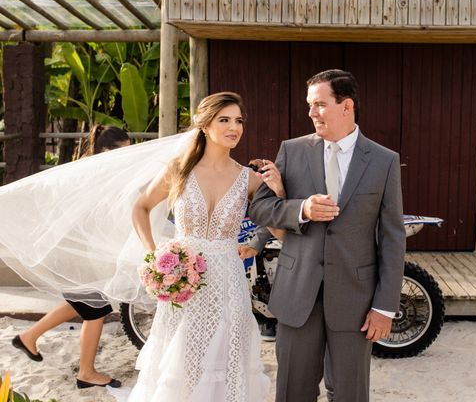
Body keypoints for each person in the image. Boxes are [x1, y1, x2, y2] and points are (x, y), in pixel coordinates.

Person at [246, 69, 406, 402]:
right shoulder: (291, 150)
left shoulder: (384, 161)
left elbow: (392, 238)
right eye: (310, 105)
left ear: (346, 106)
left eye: (319, 104)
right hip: (297, 294)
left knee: (349, 393)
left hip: (356, 300)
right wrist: (301, 208)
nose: (311, 113)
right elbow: (261, 209)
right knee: (293, 391)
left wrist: (385, 307)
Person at [127, 92, 276, 401]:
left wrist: (256, 240)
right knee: (181, 363)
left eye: (238, 121)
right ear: (205, 125)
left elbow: (277, 225)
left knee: (224, 361)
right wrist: (154, 255)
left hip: (228, 284)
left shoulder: (248, 179)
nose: (234, 127)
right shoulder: (178, 170)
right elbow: (140, 207)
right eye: (224, 120)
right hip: (183, 284)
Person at [12, 125, 129, 389]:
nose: (126, 156)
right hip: (70, 252)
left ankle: (29, 336)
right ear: (105, 150)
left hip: (73, 250)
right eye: (123, 150)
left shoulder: (92, 170)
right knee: (95, 307)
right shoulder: (93, 174)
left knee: (83, 302)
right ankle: (86, 372)